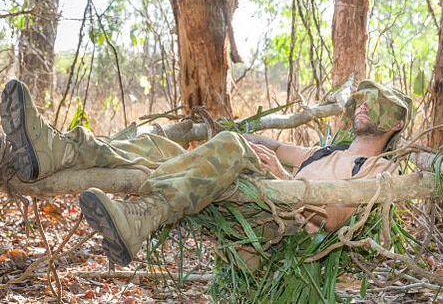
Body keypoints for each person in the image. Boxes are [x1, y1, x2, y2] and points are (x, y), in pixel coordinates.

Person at [0, 79, 411, 266]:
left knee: (232, 149)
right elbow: (273, 148)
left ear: (394, 124)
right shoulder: (327, 150)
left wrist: (282, 180)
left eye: (378, 101)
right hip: (265, 190)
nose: (364, 103)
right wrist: (225, 134)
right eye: (362, 97)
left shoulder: (379, 169)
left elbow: (334, 216)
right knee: (165, 145)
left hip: (282, 221)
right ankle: (59, 151)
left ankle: (141, 218)